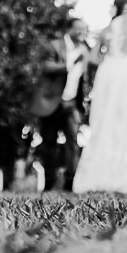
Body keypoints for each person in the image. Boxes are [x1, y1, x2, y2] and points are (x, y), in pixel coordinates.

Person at [73, 0, 127, 193]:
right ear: (126, 8)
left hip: (108, 74)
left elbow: (93, 58)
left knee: (106, 121)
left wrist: (108, 58)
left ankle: (100, 174)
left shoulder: (105, 30)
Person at [31, 17, 90, 191]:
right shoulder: (54, 46)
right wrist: (69, 65)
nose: (82, 33)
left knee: (72, 141)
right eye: (79, 29)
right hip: (51, 102)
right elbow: (45, 67)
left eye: (85, 30)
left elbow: (84, 79)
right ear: (69, 29)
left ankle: (69, 182)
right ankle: (49, 181)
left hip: (71, 104)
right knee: (48, 143)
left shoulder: (84, 51)